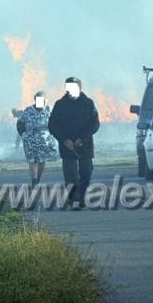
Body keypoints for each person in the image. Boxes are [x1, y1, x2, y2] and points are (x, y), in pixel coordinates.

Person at [48, 77, 100, 210]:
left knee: (86, 172)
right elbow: (53, 125)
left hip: (85, 144)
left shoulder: (88, 103)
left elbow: (94, 123)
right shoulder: (60, 104)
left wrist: (83, 138)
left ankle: (81, 197)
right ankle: (74, 200)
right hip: (67, 145)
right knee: (70, 174)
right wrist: (64, 139)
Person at [16, 92, 56, 186]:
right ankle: (34, 181)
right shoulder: (28, 111)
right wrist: (23, 134)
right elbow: (20, 123)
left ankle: (38, 177)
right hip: (31, 139)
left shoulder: (49, 110)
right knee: (33, 161)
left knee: (42, 161)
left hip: (46, 139)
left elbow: (56, 121)